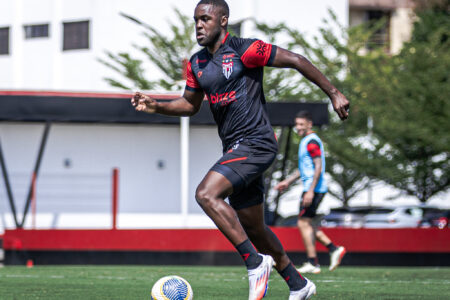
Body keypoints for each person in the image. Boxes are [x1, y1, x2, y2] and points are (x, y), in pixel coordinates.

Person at [131, 0, 349, 299]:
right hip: (235, 147)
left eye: (205, 18)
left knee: (206, 194)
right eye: (195, 19)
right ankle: (299, 284)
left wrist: (334, 93)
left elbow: (296, 59)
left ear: (223, 21)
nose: (198, 24)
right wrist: (157, 106)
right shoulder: (197, 63)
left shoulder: (246, 49)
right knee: (254, 227)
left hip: (257, 142)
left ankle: (254, 262)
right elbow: (190, 105)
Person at [274, 111, 346, 274]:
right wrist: (287, 182)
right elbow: (304, 169)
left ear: (309, 124)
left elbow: (318, 167)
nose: (298, 128)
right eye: (296, 124)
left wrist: (310, 191)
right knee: (308, 224)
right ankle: (333, 249)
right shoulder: (306, 141)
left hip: (313, 189)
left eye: (301, 124)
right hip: (312, 189)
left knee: (303, 223)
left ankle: (314, 261)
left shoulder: (311, 141)